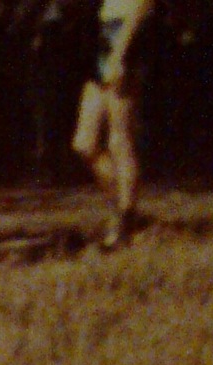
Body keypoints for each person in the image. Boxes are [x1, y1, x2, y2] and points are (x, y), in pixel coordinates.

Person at [72, 0, 152, 247]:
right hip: (102, 35)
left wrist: (120, 53)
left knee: (119, 139)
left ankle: (125, 222)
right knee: (84, 143)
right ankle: (125, 211)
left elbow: (143, 6)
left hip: (123, 36)